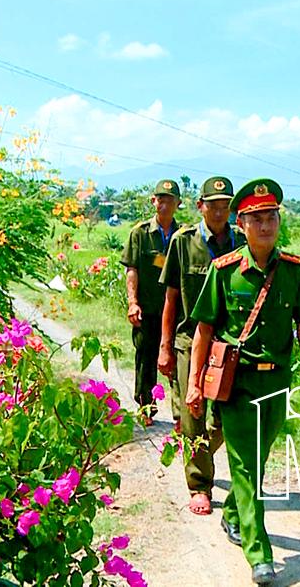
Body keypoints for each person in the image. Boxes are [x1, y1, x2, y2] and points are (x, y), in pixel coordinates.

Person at [186, 178, 300, 585]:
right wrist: (195, 383)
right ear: (241, 224)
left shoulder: (296, 272)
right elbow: (203, 332)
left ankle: (233, 514)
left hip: (277, 385)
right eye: (257, 219)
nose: (266, 226)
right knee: (245, 466)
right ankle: (259, 553)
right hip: (238, 385)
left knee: (257, 463)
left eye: (272, 218)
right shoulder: (224, 271)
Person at [158, 176, 244, 516]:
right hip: (187, 339)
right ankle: (199, 485)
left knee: (223, 414)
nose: (220, 211)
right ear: (200, 207)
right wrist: (165, 346)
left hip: (228, 342)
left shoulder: (241, 241)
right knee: (192, 412)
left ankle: (200, 452)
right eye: (214, 205)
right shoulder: (184, 242)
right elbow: (171, 297)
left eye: (226, 206)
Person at [119, 179, 182, 423]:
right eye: (160, 199)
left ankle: (180, 414)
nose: (164, 205)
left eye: (169, 200)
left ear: (178, 203)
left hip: (176, 310)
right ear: (153, 201)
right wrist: (132, 302)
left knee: (176, 359)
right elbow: (131, 269)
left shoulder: (183, 235)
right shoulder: (140, 233)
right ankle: (146, 408)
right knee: (145, 358)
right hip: (148, 307)